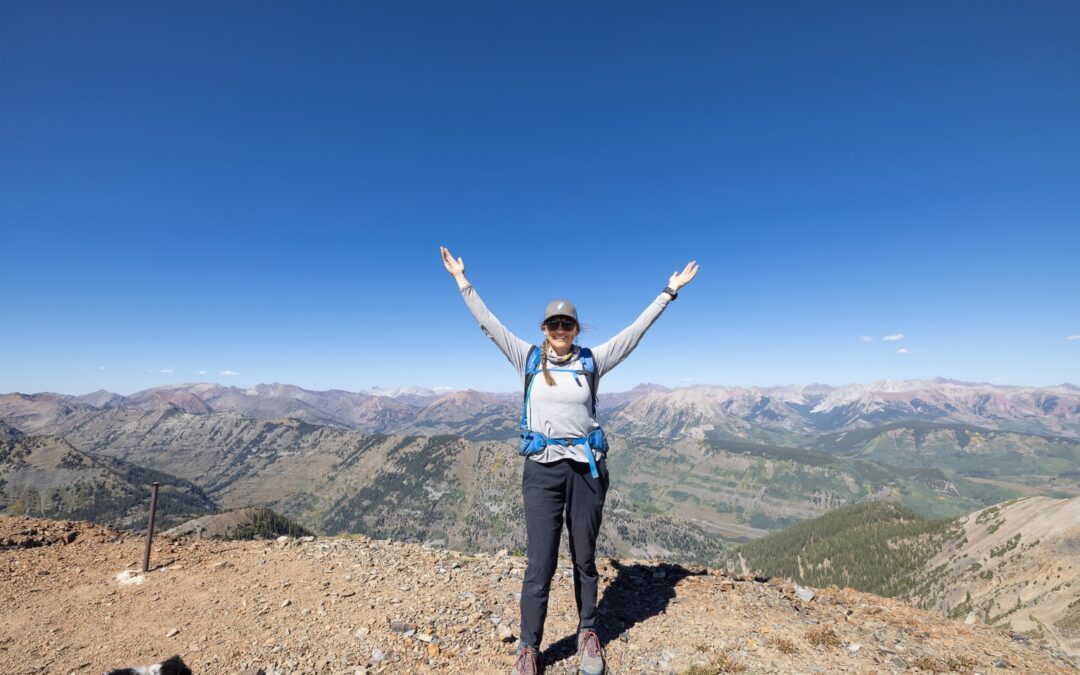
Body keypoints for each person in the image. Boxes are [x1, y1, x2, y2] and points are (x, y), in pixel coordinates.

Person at [440, 246, 698, 675]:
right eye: (554, 323)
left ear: (576, 328)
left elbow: (634, 333)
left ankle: (588, 633)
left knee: (584, 556)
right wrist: (462, 280)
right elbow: (489, 324)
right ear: (545, 328)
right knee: (540, 560)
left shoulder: (592, 360)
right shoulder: (526, 357)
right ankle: (528, 647)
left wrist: (668, 292)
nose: (560, 328)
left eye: (567, 323)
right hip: (541, 470)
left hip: (586, 470)